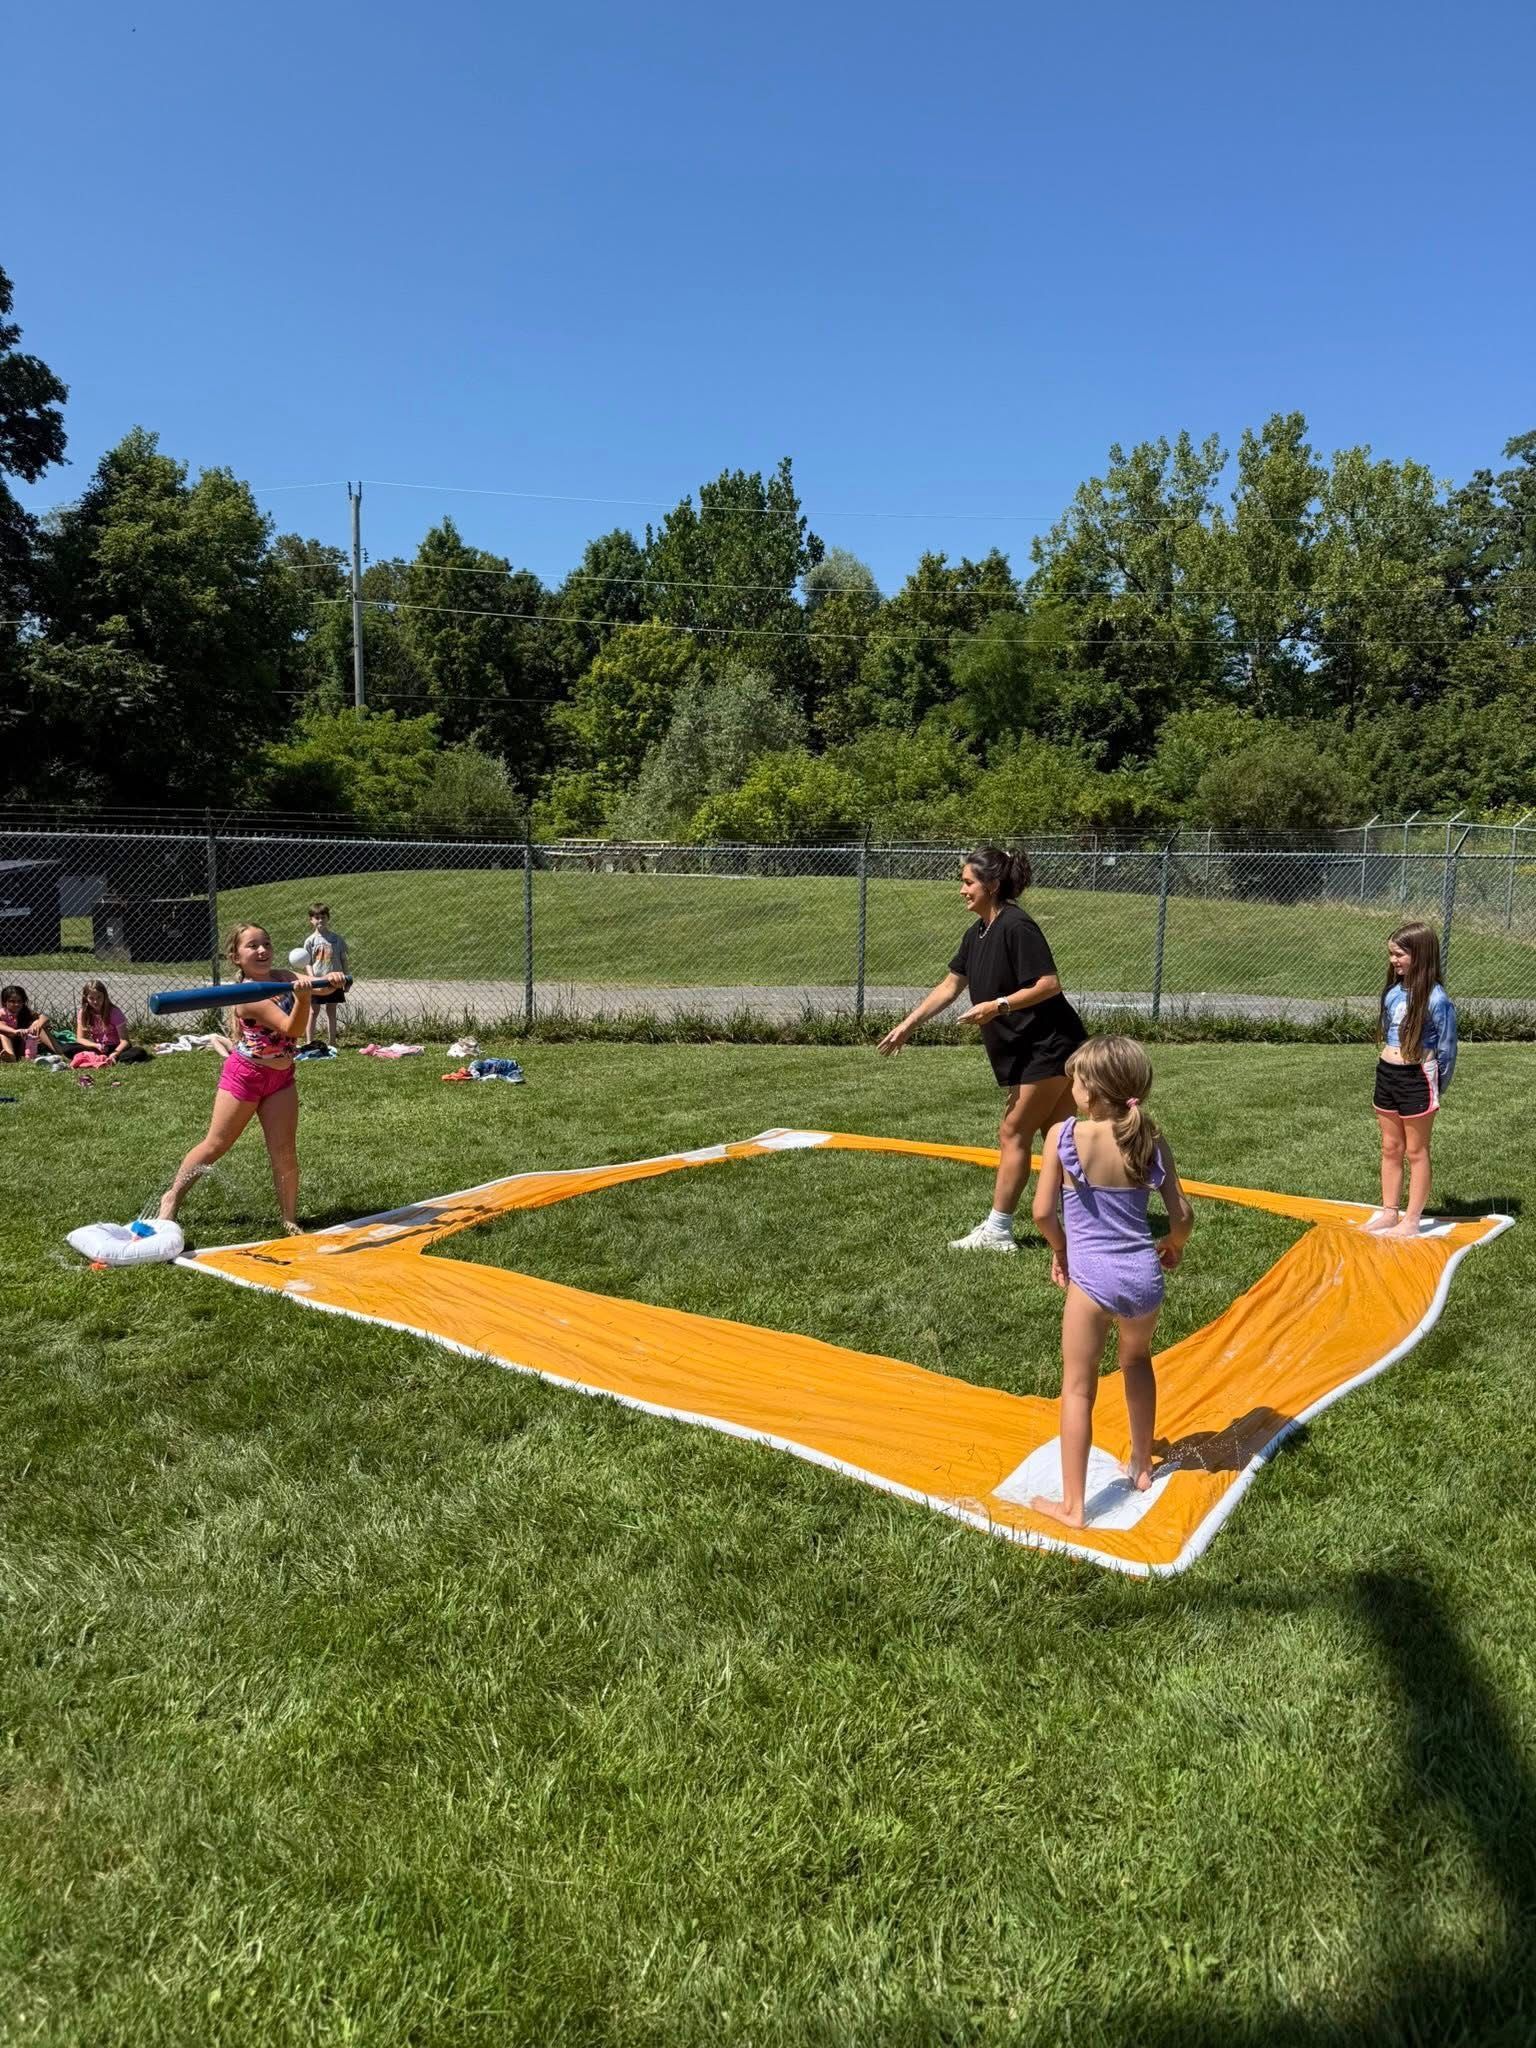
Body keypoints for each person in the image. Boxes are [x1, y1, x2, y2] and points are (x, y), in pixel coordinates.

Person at [876, 846, 1086, 1250]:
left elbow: (1048, 984)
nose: (961, 890)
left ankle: (998, 1230)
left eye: (968, 882)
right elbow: (951, 985)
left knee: (1013, 1131)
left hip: (1049, 1045)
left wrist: (998, 1005)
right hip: (1042, 1046)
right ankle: (1082, 1222)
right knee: (1060, 1138)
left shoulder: (1016, 926)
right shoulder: (977, 934)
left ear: (991, 885)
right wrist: (908, 1025)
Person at [1027, 1035, 1193, 1528]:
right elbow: (1181, 1214)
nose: (1070, 1085)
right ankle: (1142, 1465)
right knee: (1137, 1362)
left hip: (1091, 1282)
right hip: (1144, 1278)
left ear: (1092, 1090)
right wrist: (1174, 1246)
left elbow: (1040, 1213)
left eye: (1075, 1078)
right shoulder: (1149, 1136)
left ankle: (1074, 1507)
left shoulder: (1063, 1134)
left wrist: (1060, 1250)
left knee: (1078, 1388)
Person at [158, 924, 343, 1234]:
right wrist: (304, 998)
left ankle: (288, 1216)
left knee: (284, 1150)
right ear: (236, 957)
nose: (262, 950)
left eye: (266, 944)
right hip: (246, 1075)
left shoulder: (283, 977)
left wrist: (332, 981)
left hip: (281, 1076)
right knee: (216, 1145)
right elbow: (293, 1029)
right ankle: (172, 1198)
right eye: (252, 946)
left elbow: (319, 987)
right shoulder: (247, 997)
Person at [1365, 921, 1458, 1241]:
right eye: (1391, 954)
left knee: (1416, 1151)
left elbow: (1447, 1048)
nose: (1394, 960)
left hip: (1417, 1077)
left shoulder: (1437, 999)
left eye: (1400, 954)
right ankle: (1390, 1211)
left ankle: (1412, 1219)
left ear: (1420, 955)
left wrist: (1436, 1087)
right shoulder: (1393, 992)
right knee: (1391, 1147)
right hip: (1387, 1074)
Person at [301, 903, 351, 1046]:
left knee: (331, 1011)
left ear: (328, 918)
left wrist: (346, 979)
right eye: (316, 917)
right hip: (317, 982)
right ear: (311, 920)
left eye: (323, 917)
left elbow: (343, 960)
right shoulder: (310, 941)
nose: (320, 920)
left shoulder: (336, 939)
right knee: (313, 1012)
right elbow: (307, 962)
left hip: (335, 981)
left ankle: (332, 1042)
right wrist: (312, 979)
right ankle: (310, 1041)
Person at [73, 980, 133, 1068]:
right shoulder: (83, 1013)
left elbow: (125, 1041)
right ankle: (99, 1058)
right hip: (97, 1047)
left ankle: (107, 1058)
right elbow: (80, 1039)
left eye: (99, 997)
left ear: (105, 996)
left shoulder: (114, 1012)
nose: (96, 1002)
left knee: (138, 1052)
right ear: (86, 998)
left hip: (115, 1047)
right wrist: (95, 1045)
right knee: (68, 1048)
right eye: (91, 998)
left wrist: (115, 1053)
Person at [0, 985, 63, 1062]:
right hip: (7, 1045)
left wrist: (37, 1026)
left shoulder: (25, 1012)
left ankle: (60, 1053)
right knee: (3, 1033)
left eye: (19, 1001)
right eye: (12, 1001)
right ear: (4, 1002)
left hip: (25, 1045)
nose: (16, 1004)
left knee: (37, 1023)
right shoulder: (2, 1013)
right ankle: (11, 1057)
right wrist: (14, 1031)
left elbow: (44, 1018)